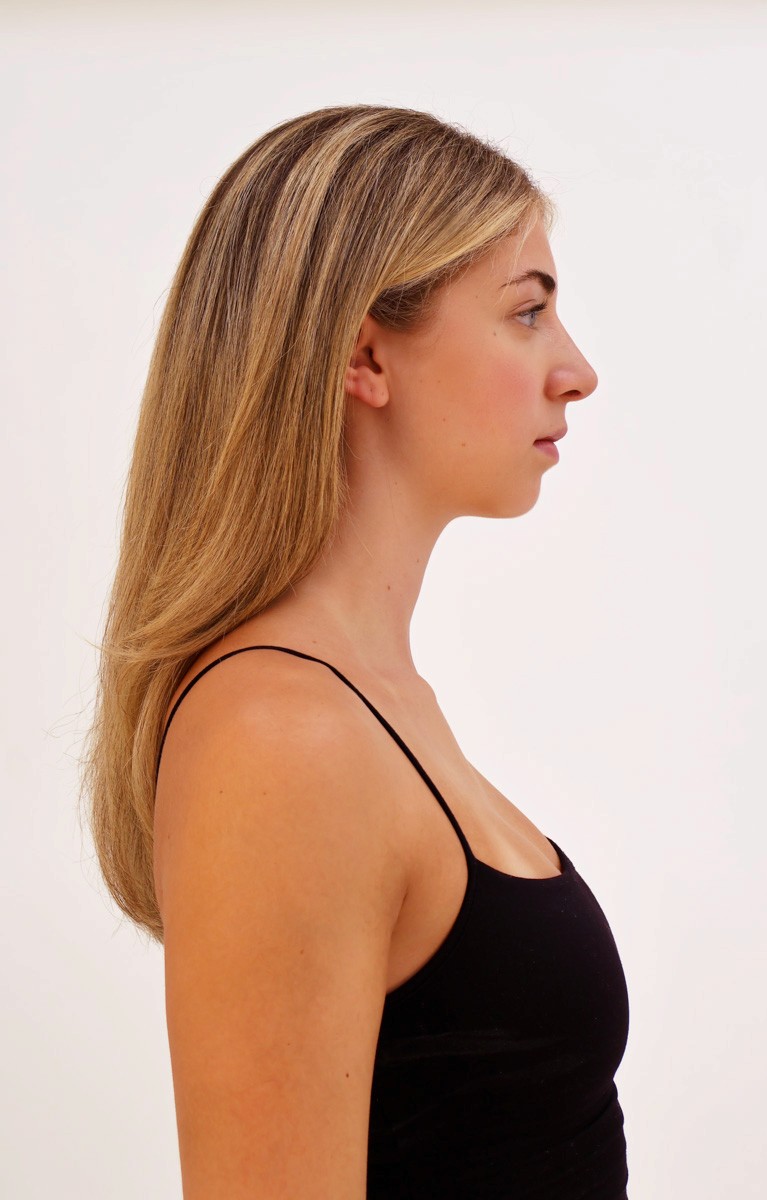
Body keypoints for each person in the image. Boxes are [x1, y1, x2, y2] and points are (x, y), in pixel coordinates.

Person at [80, 103, 630, 1198]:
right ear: (364, 355)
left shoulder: (375, 704)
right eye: (525, 315)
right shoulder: (281, 736)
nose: (575, 371)